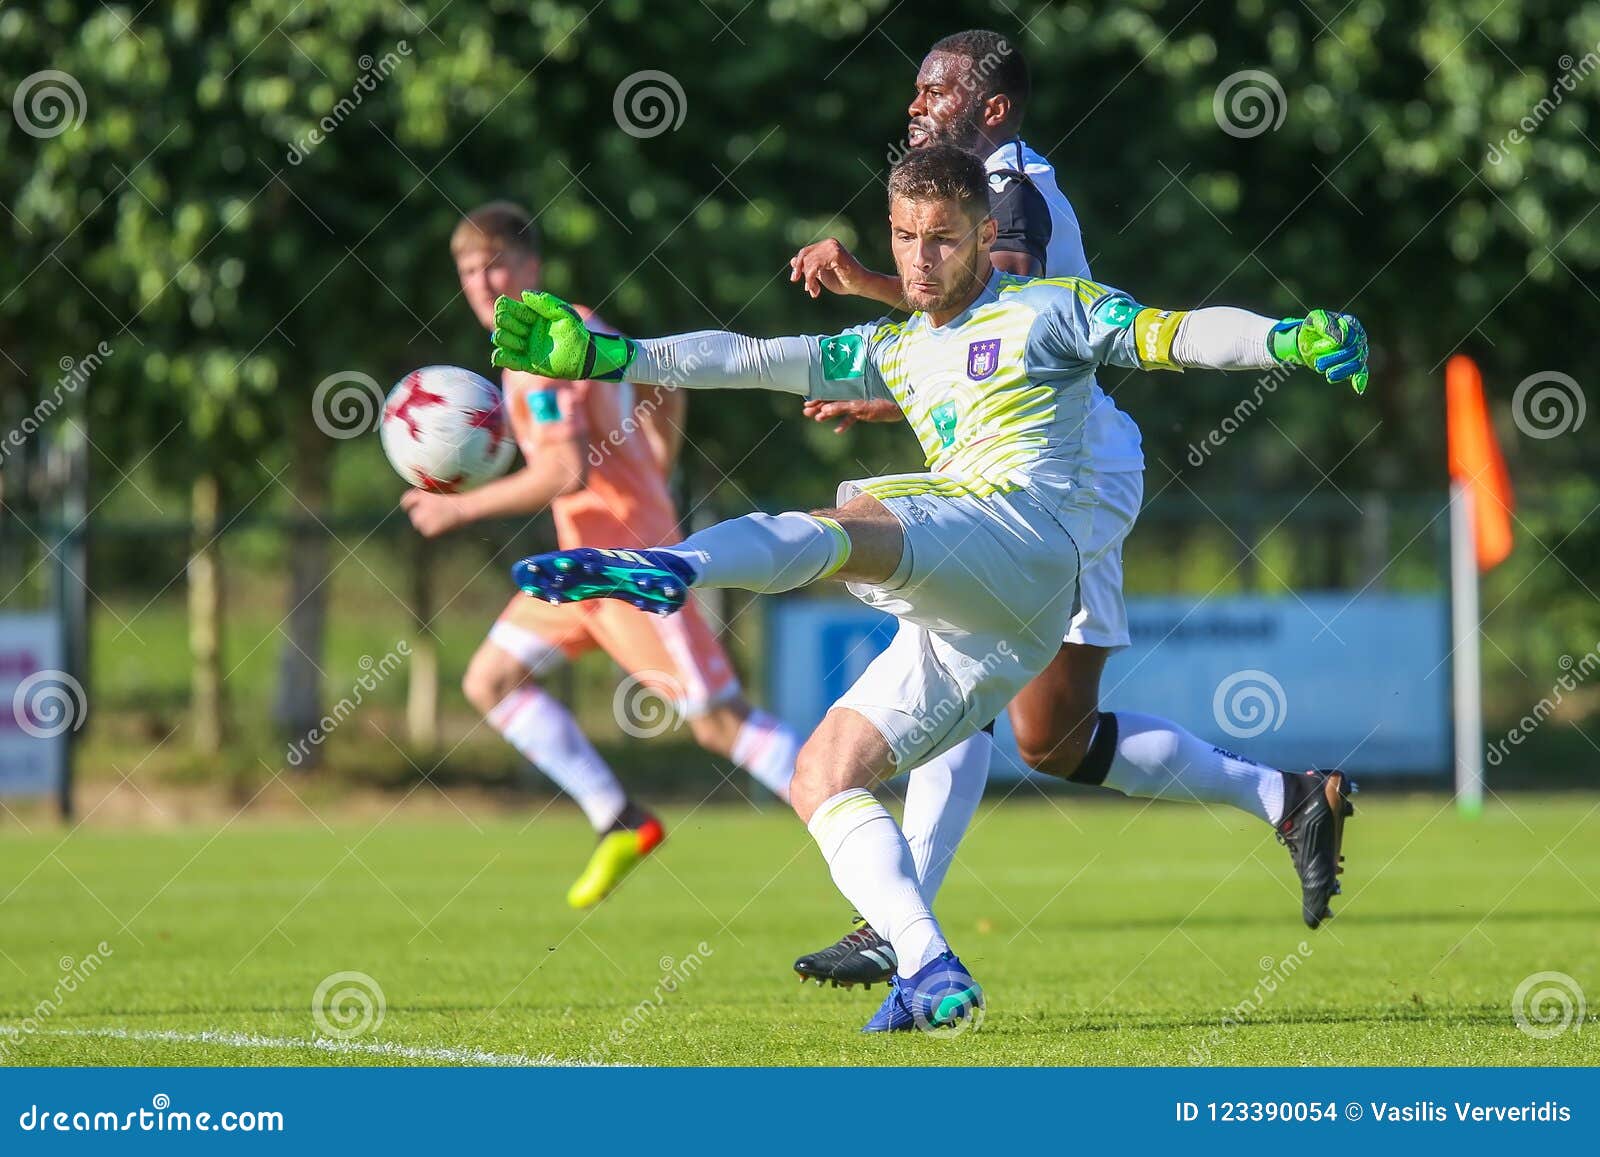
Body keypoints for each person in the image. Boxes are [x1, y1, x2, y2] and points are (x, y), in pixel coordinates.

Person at [489, 146, 1369, 1031]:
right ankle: (926, 964)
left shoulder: (1047, 310)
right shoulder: (896, 347)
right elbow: (755, 355)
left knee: (858, 520)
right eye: (905, 237)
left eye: (941, 239)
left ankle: (675, 566)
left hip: (1024, 536)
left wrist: (1283, 339)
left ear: (988, 236)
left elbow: (1174, 334)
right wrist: (615, 354)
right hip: (996, 620)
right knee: (822, 776)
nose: (918, 259)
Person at [786, 29, 1359, 990]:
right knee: (1051, 737)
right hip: (1034, 464)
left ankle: (898, 927)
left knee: (964, 660)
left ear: (994, 109)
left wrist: (862, 286)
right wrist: (894, 382)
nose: (917, 103)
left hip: (1065, 475)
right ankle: (1289, 793)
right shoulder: (979, 190)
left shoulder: (1011, 191)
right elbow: (972, 342)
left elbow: (996, 315)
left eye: (938, 90)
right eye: (915, 88)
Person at [400, 201, 801, 909]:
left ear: (531, 266)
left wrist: (456, 506)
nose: (483, 280)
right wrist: (654, 456)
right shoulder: (583, 326)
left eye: (496, 262)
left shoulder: (538, 357)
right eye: (469, 268)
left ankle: (848, 812)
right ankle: (620, 818)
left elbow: (563, 473)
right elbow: (662, 382)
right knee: (490, 680)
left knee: (720, 720)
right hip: (577, 571)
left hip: (626, 568)